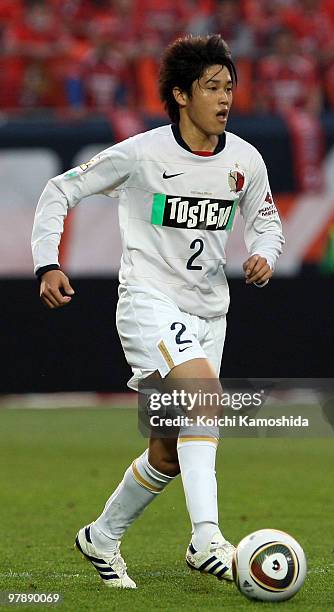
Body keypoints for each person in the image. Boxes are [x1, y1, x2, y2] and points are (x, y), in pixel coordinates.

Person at [31, 34, 284, 589]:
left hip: (209, 312)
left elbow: (265, 219)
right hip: (149, 301)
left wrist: (264, 252)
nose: (225, 99)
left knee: (169, 450)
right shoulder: (141, 154)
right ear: (180, 94)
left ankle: (101, 536)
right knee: (203, 397)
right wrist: (46, 264)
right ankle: (206, 538)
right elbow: (59, 190)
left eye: (230, 88)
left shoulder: (245, 158)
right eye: (212, 87)